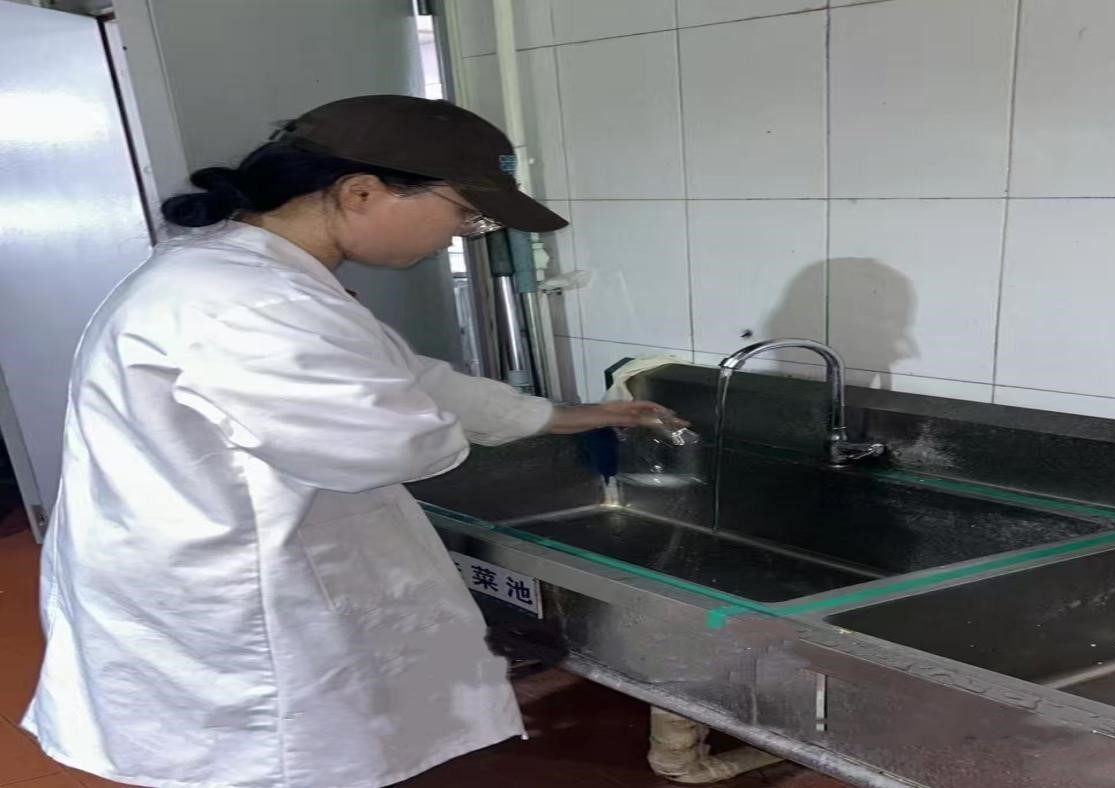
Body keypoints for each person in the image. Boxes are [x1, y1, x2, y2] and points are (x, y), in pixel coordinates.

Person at [21, 95, 668, 788]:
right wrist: (450, 426)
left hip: (222, 561)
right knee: (276, 764)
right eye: (464, 213)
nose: (461, 233)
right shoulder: (250, 303)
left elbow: (407, 379)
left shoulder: (244, 273)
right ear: (361, 192)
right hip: (232, 594)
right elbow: (395, 443)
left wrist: (565, 417)